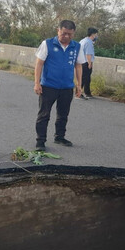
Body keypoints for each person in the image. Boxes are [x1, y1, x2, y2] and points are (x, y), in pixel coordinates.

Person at [33, 20, 85, 151]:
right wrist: (37, 83)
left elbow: (78, 66)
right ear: (58, 31)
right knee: (44, 114)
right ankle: (40, 141)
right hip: (49, 86)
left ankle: (59, 137)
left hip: (67, 87)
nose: (66, 37)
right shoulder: (48, 43)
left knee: (63, 114)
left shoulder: (77, 46)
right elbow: (39, 64)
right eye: (64, 33)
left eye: (70, 34)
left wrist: (79, 85)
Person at [78, 27, 98, 99]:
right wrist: (90, 63)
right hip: (86, 62)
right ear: (92, 34)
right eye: (96, 34)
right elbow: (88, 54)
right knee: (84, 78)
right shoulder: (89, 42)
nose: (96, 36)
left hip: (81, 61)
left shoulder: (83, 40)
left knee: (85, 78)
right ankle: (79, 93)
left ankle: (87, 92)